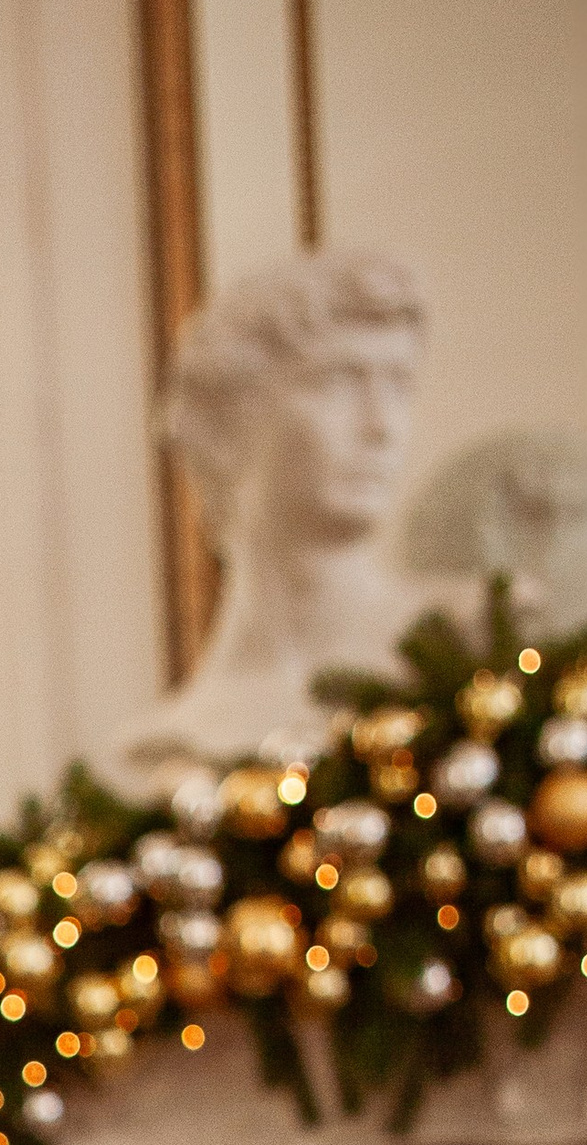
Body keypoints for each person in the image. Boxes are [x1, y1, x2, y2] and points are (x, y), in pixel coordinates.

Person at [112, 246, 430, 789]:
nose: (382, 426)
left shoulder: (468, 646)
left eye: (398, 385)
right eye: (338, 381)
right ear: (231, 420)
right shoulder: (162, 751)